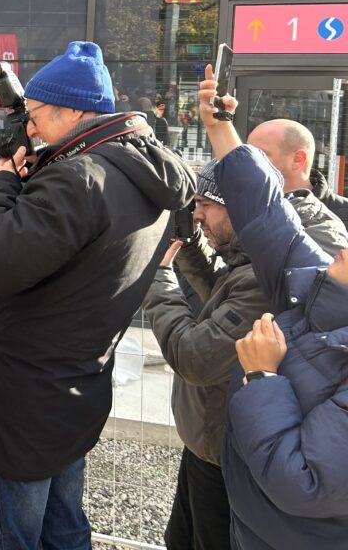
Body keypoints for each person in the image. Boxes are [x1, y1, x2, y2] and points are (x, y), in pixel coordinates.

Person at [0, 41, 195, 550]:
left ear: (74, 110)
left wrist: (0, 184)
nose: (29, 129)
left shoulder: (78, 179)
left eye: (35, 116)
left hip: (14, 409)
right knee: (65, 532)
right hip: (69, 399)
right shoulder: (142, 172)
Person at [145, 159, 345, 550]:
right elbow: (223, 290)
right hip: (213, 441)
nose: (196, 213)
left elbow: (196, 358)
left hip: (231, 450)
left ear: (237, 203)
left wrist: (159, 283)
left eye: (204, 203)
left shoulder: (282, 271)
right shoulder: (256, 259)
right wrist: (189, 245)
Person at [197, 68, 348, 549]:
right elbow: (266, 214)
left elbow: (306, 485)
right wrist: (219, 127)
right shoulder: (321, 284)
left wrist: (263, 379)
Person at [246, 118, 348, 227]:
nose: (248, 160)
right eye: (247, 151)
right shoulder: (241, 205)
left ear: (297, 159)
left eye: (259, 153)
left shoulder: (343, 215)